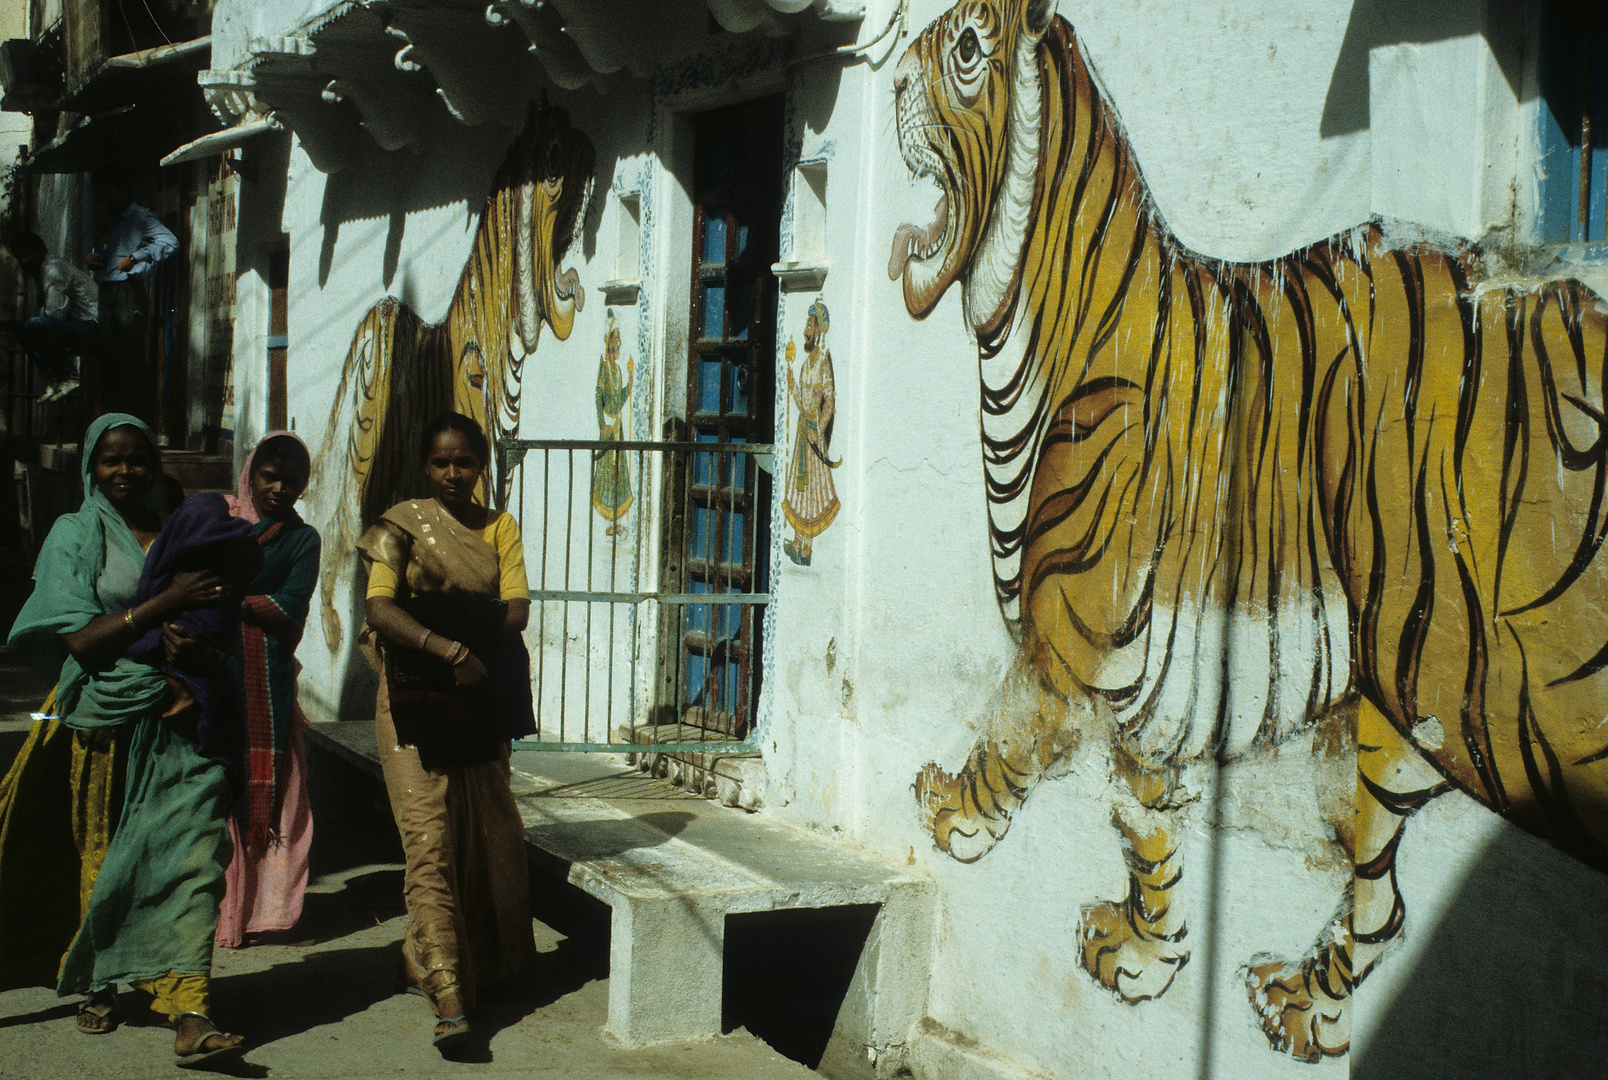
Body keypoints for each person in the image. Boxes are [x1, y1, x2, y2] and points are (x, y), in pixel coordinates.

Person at [0, 413, 258, 1067]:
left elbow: (224, 622)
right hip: (104, 719)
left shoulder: (185, 530)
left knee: (194, 865)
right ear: (91, 467)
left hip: (184, 718)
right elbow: (80, 640)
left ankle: (191, 1010)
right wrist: (161, 605)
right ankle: (101, 979)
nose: (123, 470)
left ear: (154, 464)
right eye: (110, 460)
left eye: (136, 458)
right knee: (105, 858)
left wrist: (198, 646)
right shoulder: (74, 534)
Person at [358, 411, 536, 1053]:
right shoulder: (401, 524)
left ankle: (473, 961)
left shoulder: (499, 526)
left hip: (481, 698)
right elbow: (379, 608)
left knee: (490, 831)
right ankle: (449, 995)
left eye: (465, 461)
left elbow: (515, 607)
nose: (453, 473)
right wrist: (451, 648)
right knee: (428, 840)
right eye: (441, 462)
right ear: (424, 467)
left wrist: (454, 637)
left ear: (481, 464)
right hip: (413, 702)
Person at [215, 432, 320, 948]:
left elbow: (291, 605)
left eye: (291, 481)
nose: (279, 488)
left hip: (268, 687)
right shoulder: (220, 522)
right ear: (250, 474)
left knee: (279, 801)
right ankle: (219, 913)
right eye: (269, 477)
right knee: (214, 796)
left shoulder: (303, 540)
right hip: (211, 674)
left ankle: (263, 911)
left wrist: (229, 602)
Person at [88, 174, 177, 421]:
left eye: (109, 193)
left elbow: (170, 242)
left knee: (128, 360)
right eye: (102, 194)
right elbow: (116, 257)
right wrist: (99, 259)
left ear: (123, 188)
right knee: (107, 358)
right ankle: (111, 422)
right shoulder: (115, 222)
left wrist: (137, 258)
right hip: (108, 291)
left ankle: (132, 422)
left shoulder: (141, 217)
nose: (105, 199)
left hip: (127, 292)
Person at [4, 231, 99, 401]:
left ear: (41, 250)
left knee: (32, 326)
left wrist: (32, 324)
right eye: (20, 258)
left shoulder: (52, 269)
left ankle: (68, 375)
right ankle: (56, 377)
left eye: (27, 255)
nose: (24, 262)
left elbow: (55, 314)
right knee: (22, 328)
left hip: (92, 327)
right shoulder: (42, 272)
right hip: (77, 325)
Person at [782, 298, 841, 566]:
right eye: (806, 325)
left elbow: (828, 400)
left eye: (809, 326)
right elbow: (801, 400)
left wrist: (821, 428)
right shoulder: (806, 364)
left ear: (818, 330)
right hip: (801, 434)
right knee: (799, 487)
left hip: (813, 434)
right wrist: (793, 385)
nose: (806, 331)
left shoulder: (822, 363)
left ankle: (807, 547)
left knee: (813, 490)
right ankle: (797, 539)